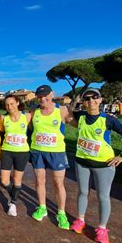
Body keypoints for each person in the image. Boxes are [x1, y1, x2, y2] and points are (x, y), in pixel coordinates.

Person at [69, 88, 122, 243]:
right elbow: (67, 112)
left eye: (94, 98)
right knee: (83, 192)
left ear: (100, 100)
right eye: (87, 98)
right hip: (82, 162)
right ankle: (80, 220)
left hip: (104, 165)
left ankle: (102, 229)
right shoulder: (80, 117)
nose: (91, 101)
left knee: (103, 196)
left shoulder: (108, 119)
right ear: (83, 102)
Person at [29, 85, 73, 229]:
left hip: (57, 152)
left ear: (52, 94)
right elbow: (28, 127)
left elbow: (79, 124)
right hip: (38, 151)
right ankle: (42, 207)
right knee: (39, 180)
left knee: (58, 183)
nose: (43, 98)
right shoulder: (34, 112)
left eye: (45, 95)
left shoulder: (61, 110)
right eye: (40, 96)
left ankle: (61, 213)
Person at [0, 95, 32, 217]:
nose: (10, 106)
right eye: (7, 105)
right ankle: (14, 196)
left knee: (17, 180)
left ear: (18, 103)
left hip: (22, 152)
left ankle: (13, 203)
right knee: (4, 180)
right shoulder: (4, 118)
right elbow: (2, 131)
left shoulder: (27, 117)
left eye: (12, 103)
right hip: (7, 150)